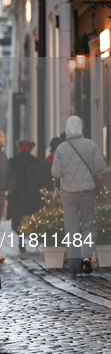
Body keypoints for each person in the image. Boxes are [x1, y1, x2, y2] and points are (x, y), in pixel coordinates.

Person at [52, 116, 106, 275]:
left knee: (71, 229)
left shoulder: (61, 148)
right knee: (88, 226)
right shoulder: (91, 145)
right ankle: (87, 258)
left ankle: (75, 266)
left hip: (68, 193)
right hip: (87, 192)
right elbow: (101, 167)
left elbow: (55, 172)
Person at [8, 141, 41, 242]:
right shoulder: (36, 161)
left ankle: (21, 239)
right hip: (32, 195)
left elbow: (10, 177)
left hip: (17, 194)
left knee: (18, 217)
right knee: (30, 215)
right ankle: (32, 237)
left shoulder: (13, 161)